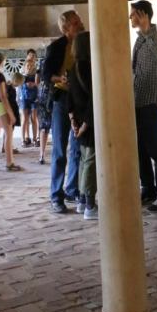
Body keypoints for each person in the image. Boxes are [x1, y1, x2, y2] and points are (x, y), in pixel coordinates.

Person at [130, 0, 157, 213]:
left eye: (133, 14)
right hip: (137, 101)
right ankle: (148, 190)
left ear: (143, 15)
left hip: (150, 103)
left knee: (156, 149)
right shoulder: (139, 40)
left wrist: (147, 30)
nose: (130, 18)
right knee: (140, 149)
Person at [42, 9, 83, 213]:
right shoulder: (56, 47)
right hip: (62, 100)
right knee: (60, 149)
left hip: (80, 100)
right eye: (76, 22)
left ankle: (72, 189)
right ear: (66, 28)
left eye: (79, 21)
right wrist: (60, 79)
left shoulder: (84, 44)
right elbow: (45, 74)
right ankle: (56, 196)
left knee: (77, 148)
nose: (81, 24)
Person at [68, 30, 97, 220]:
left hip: (78, 122)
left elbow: (69, 98)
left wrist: (74, 122)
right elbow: (94, 97)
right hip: (88, 122)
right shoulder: (89, 68)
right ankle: (89, 205)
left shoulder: (73, 68)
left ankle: (81, 201)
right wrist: (86, 124)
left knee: (83, 160)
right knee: (90, 161)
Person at [20, 48, 40, 146]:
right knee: (25, 118)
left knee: (34, 118)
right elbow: (18, 83)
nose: (32, 57)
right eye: (30, 55)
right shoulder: (22, 70)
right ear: (27, 57)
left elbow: (39, 83)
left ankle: (36, 138)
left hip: (34, 97)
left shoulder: (37, 71)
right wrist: (26, 74)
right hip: (24, 97)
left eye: (33, 56)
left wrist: (34, 84)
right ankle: (24, 139)